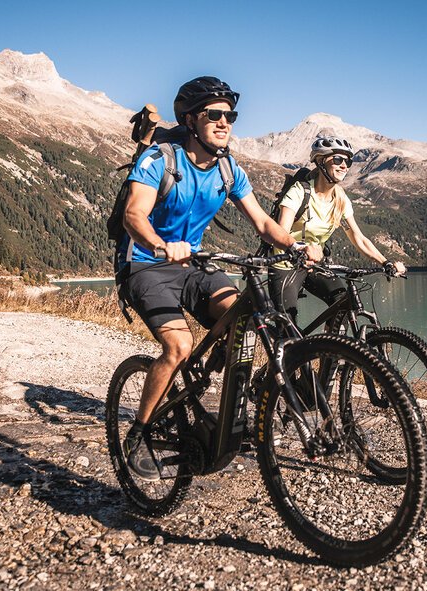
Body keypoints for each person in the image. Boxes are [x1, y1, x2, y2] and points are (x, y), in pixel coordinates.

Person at [117, 76, 322, 481]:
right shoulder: (160, 159)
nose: (225, 122)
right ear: (191, 120)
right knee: (178, 346)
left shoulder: (228, 168)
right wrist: (162, 245)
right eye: (215, 115)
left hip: (193, 266)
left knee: (243, 323)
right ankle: (138, 434)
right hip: (146, 263)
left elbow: (263, 223)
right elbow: (133, 215)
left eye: (230, 115)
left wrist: (294, 247)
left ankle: (213, 389)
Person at [268, 135, 407, 325]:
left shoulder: (340, 199)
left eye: (348, 161)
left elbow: (358, 237)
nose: (344, 166)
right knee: (287, 325)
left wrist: (385, 262)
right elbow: (280, 232)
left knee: (342, 303)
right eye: (338, 160)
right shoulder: (300, 192)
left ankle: (331, 351)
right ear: (320, 161)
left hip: (314, 264)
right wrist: (301, 248)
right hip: (285, 263)